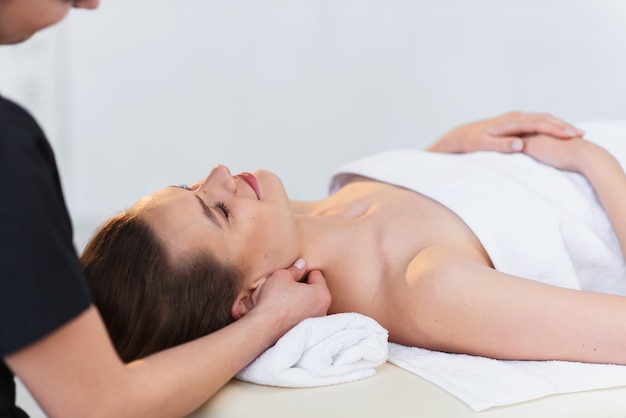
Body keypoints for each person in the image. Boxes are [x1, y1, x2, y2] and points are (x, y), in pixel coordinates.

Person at [80, 110, 626, 368]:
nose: (221, 174)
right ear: (248, 298)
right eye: (218, 211)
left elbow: (445, 211)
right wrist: (594, 165)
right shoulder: (426, 288)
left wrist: (451, 149)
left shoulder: (302, 215)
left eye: (189, 186)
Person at [0, 2, 331, 417]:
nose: (90, 3)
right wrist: (271, 320)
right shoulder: (6, 155)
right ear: (247, 298)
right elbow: (100, 406)